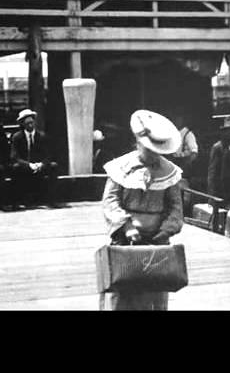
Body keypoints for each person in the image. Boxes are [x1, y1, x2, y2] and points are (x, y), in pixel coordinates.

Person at [102, 109, 184, 310]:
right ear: (138, 143)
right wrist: (126, 225)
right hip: (126, 239)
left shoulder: (169, 173)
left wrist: (165, 230)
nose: (154, 155)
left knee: (154, 293)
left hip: (157, 240)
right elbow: (111, 200)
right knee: (123, 289)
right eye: (149, 149)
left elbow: (175, 207)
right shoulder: (120, 167)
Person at [9, 109, 59, 208]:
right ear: (23, 124)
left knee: (53, 166)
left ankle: (51, 200)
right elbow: (14, 156)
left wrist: (41, 164)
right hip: (25, 166)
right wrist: (28, 165)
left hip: (39, 166)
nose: (30, 126)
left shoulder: (42, 136)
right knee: (15, 168)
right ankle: (16, 202)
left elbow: (49, 155)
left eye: (32, 123)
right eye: (27, 123)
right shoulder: (17, 137)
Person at [169, 113, 199, 178]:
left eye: (178, 119)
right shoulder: (173, 133)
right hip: (173, 163)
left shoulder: (188, 134)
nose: (175, 121)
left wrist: (186, 164)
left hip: (183, 163)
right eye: (174, 119)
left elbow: (194, 152)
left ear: (182, 121)